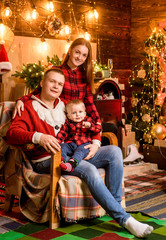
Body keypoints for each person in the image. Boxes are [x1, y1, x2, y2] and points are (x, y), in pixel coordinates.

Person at [7, 68, 153, 238]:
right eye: (52, 81)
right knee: (89, 170)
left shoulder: (64, 105)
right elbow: (11, 134)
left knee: (114, 151)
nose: (56, 86)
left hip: (74, 153)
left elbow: (90, 120)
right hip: (47, 159)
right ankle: (125, 219)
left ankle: (115, 208)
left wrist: (96, 143)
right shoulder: (27, 107)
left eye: (60, 84)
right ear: (42, 83)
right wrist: (39, 137)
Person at [57, 99, 102, 172]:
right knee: (63, 147)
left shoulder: (88, 121)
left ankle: (72, 164)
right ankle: (62, 162)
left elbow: (98, 129)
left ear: (84, 113)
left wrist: (90, 126)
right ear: (68, 116)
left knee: (80, 152)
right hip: (71, 144)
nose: (78, 115)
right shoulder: (68, 123)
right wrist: (57, 141)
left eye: (80, 112)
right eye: (74, 113)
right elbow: (63, 133)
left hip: (84, 144)